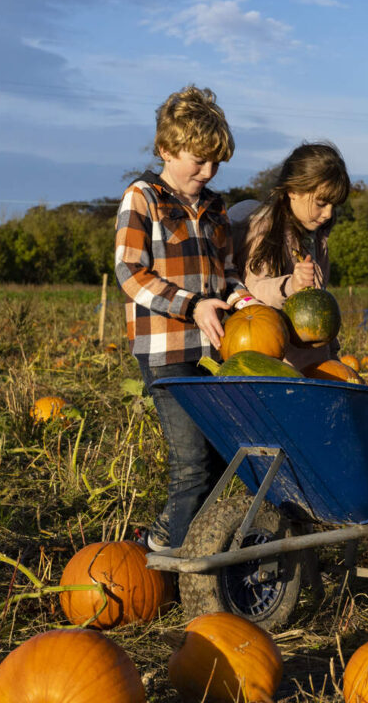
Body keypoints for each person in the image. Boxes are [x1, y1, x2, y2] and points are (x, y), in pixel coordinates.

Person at [114, 84, 254, 551]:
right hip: (166, 350)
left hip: (212, 352)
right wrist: (191, 305)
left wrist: (242, 302)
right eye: (198, 160)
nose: (208, 171)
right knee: (191, 460)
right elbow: (129, 271)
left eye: (216, 162)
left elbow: (226, 272)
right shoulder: (143, 197)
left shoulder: (215, 206)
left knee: (216, 457)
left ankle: (165, 540)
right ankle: (172, 561)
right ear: (165, 149)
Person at [232, 142, 351, 371]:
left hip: (310, 363)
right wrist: (291, 285)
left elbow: (320, 305)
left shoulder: (316, 238)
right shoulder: (264, 230)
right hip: (273, 366)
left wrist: (333, 359)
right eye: (321, 203)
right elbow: (252, 291)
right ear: (293, 191)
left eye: (333, 206)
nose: (328, 214)